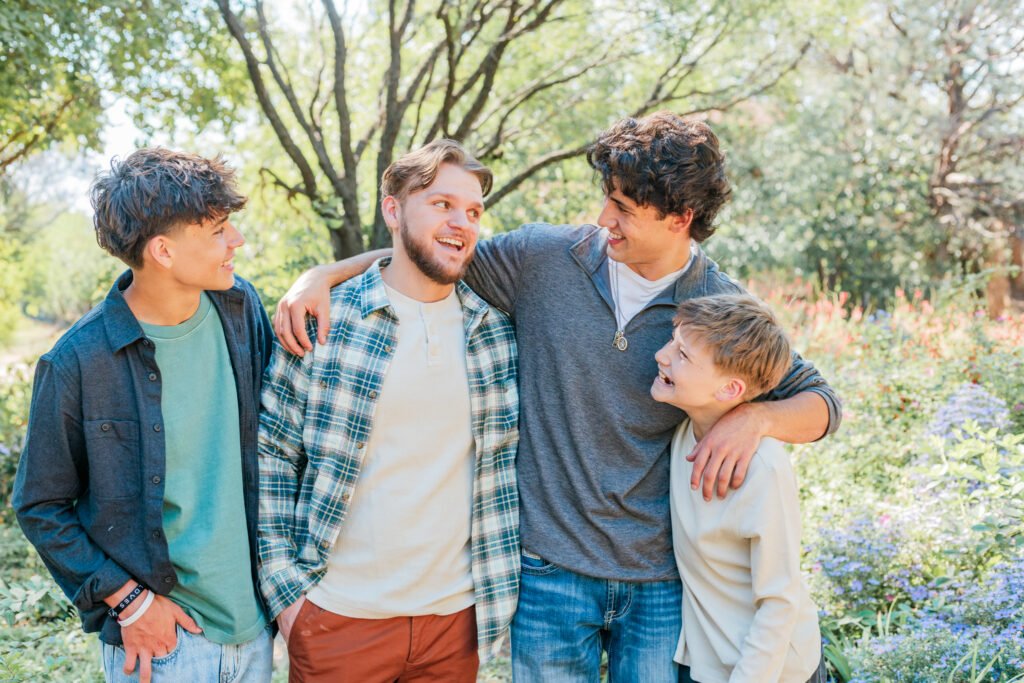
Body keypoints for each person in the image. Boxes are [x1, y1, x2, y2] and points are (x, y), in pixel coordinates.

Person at [273, 112, 842, 681]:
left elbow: (821, 401)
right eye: (607, 199)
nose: (603, 219)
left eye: (623, 208)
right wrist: (322, 275)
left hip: (659, 584)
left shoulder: (716, 310)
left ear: (679, 218)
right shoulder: (541, 258)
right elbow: (431, 252)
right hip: (548, 574)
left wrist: (757, 421)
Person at [256, 139, 519, 682]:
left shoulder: (494, 333)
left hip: (454, 622)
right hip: (338, 617)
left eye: (473, 211)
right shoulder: (324, 320)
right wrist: (288, 596)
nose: (461, 223)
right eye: (442, 204)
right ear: (393, 210)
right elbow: (272, 452)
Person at [13, 149, 274, 683]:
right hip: (162, 646)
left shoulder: (242, 309)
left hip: (255, 632)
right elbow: (40, 505)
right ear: (164, 251)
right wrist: (129, 602)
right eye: (220, 230)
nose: (237, 242)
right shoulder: (77, 362)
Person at [652, 294, 824, 683]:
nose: (662, 355)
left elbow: (778, 602)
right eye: (672, 341)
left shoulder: (762, 469)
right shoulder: (684, 434)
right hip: (710, 664)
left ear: (730, 390)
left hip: (772, 671)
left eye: (682, 354)